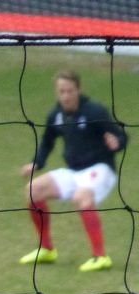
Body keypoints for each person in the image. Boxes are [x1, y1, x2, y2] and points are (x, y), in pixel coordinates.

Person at [20, 70, 125, 273]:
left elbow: (121, 136)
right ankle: (46, 249)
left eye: (69, 91)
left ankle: (100, 256)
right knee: (33, 190)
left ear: (78, 89)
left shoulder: (94, 111)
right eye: (61, 91)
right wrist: (36, 163)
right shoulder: (56, 114)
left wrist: (116, 143)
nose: (66, 96)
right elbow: (47, 142)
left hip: (100, 169)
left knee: (81, 196)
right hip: (73, 171)